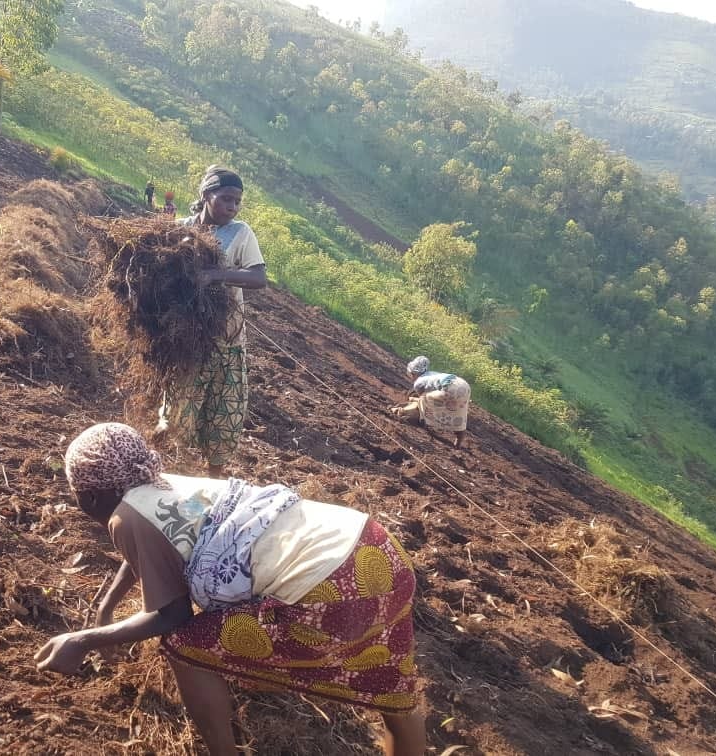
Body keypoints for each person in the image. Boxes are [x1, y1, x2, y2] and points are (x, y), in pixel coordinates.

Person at [36, 423, 426, 756]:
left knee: (184, 646)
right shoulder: (163, 484)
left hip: (331, 587)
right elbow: (154, 550)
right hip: (375, 549)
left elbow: (172, 616)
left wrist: (83, 641)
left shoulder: (124, 517)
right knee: (390, 685)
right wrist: (107, 607)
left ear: (89, 495)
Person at [156, 165, 266, 476]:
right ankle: (165, 473)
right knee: (177, 412)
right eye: (226, 199)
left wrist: (215, 275)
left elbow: (258, 278)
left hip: (227, 340)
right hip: (187, 339)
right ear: (206, 195)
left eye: (237, 202)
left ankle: (214, 480)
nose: (232, 207)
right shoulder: (181, 229)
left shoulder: (241, 233)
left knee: (223, 417)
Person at [391, 356, 471, 448]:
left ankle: (423, 419)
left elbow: (422, 397)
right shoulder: (431, 374)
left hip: (450, 388)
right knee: (459, 411)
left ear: (413, 374)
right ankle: (459, 437)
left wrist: (415, 400)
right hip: (464, 386)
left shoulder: (418, 382)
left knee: (425, 400)